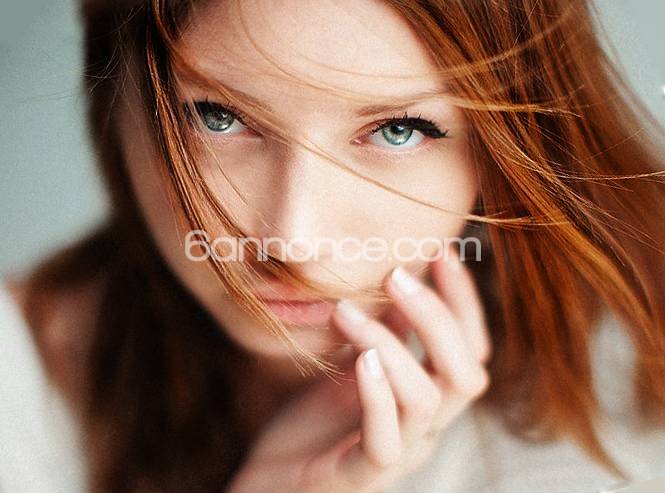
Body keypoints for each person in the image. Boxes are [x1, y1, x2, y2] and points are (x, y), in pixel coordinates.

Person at [1, 0, 665, 491]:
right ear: (111, 97)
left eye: (399, 130)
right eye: (217, 116)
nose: (296, 242)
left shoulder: (631, 392)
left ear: (507, 150)